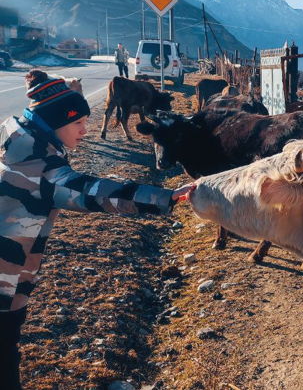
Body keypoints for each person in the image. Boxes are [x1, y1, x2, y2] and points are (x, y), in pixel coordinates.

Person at [0, 70, 194, 389]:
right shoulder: (43, 171)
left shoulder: (21, 146)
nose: (85, 131)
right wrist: (164, 196)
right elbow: (93, 192)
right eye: (78, 123)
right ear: (53, 123)